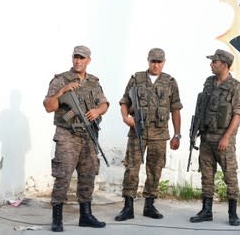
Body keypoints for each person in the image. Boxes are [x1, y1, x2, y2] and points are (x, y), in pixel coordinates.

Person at [43, 45, 109, 232]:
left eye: (82, 58)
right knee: (62, 175)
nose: (78, 61)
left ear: (88, 60)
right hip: (67, 135)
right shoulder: (60, 80)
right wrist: (62, 91)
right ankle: (57, 218)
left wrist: (97, 110)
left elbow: (104, 103)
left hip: (88, 135)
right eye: (76, 57)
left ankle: (85, 215)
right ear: (72, 58)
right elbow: (49, 106)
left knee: (88, 175)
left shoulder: (94, 82)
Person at [115, 48, 182, 221]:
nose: (156, 65)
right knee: (132, 168)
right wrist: (125, 117)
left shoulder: (170, 82)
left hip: (159, 134)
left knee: (155, 169)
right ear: (148, 60)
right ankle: (128, 207)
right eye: (153, 61)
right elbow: (124, 101)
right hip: (137, 132)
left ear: (164, 62)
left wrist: (177, 134)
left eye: (159, 62)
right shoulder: (136, 79)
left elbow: (175, 109)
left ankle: (149, 205)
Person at [189, 49, 240, 226]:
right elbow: (201, 108)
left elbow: (237, 114)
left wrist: (226, 137)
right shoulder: (209, 82)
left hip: (223, 140)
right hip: (206, 138)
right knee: (206, 175)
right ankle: (206, 211)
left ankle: (233, 213)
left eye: (215, 61)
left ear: (225, 65)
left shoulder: (236, 87)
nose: (211, 64)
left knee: (230, 176)